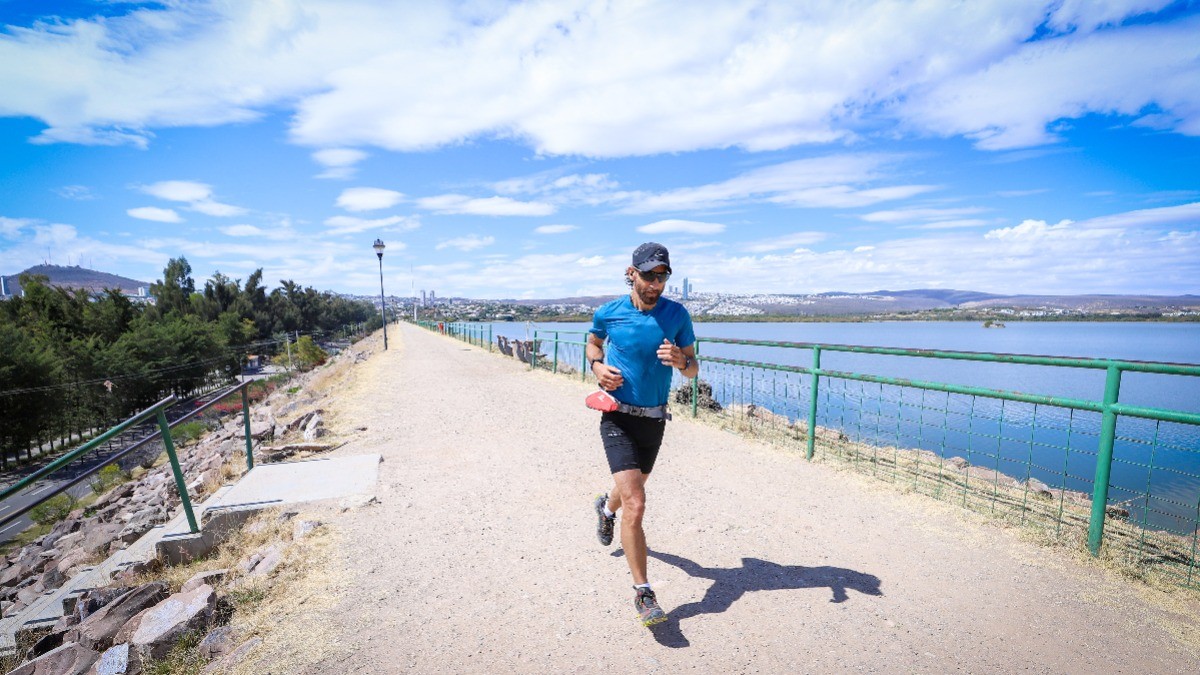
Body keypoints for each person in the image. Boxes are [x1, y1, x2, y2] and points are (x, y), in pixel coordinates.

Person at [587, 242, 699, 627]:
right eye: (649, 276)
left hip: (654, 420)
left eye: (662, 277)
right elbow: (593, 343)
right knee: (636, 503)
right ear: (631, 273)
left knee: (629, 490)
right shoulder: (609, 313)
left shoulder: (677, 315)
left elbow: (693, 369)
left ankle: (605, 509)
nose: (656, 284)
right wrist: (597, 367)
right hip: (616, 417)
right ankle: (644, 593)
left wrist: (681, 361)